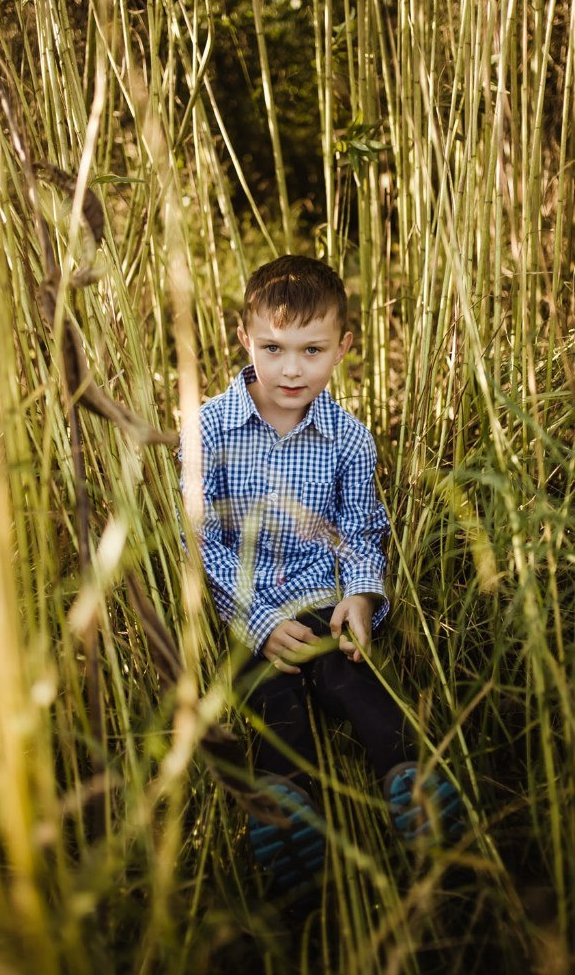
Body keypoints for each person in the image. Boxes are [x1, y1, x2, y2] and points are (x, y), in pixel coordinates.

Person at [181, 255, 461, 891]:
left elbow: (361, 531)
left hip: (321, 597)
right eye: (273, 348)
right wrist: (257, 622)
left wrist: (360, 596)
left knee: (352, 677)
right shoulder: (209, 428)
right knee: (269, 691)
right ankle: (287, 806)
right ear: (244, 338)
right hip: (248, 605)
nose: (291, 369)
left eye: (312, 350)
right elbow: (199, 539)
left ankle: (411, 779)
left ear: (343, 348)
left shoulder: (349, 440)